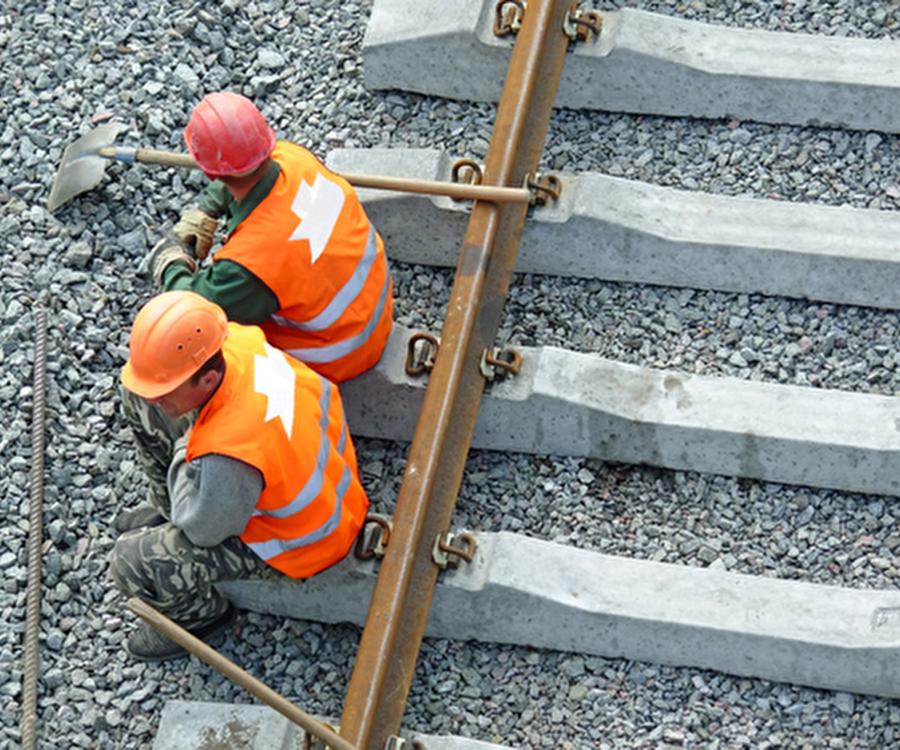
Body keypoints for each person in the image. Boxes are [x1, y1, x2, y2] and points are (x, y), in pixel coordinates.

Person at [109, 290, 369, 661]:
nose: (157, 400)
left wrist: (187, 450)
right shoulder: (236, 343)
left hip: (304, 541)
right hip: (312, 475)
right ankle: (163, 508)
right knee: (134, 395)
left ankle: (198, 618)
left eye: (166, 393)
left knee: (131, 562)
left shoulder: (228, 455)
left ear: (208, 379)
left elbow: (203, 530)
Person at [147, 91, 393, 383]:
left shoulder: (250, 264)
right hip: (374, 311)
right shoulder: (293, 157)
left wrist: (171, 263)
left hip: (337, 355)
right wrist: (206, 211)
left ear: (208, 172)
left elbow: (195, 310)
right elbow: (242, 175)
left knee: (202, 361)